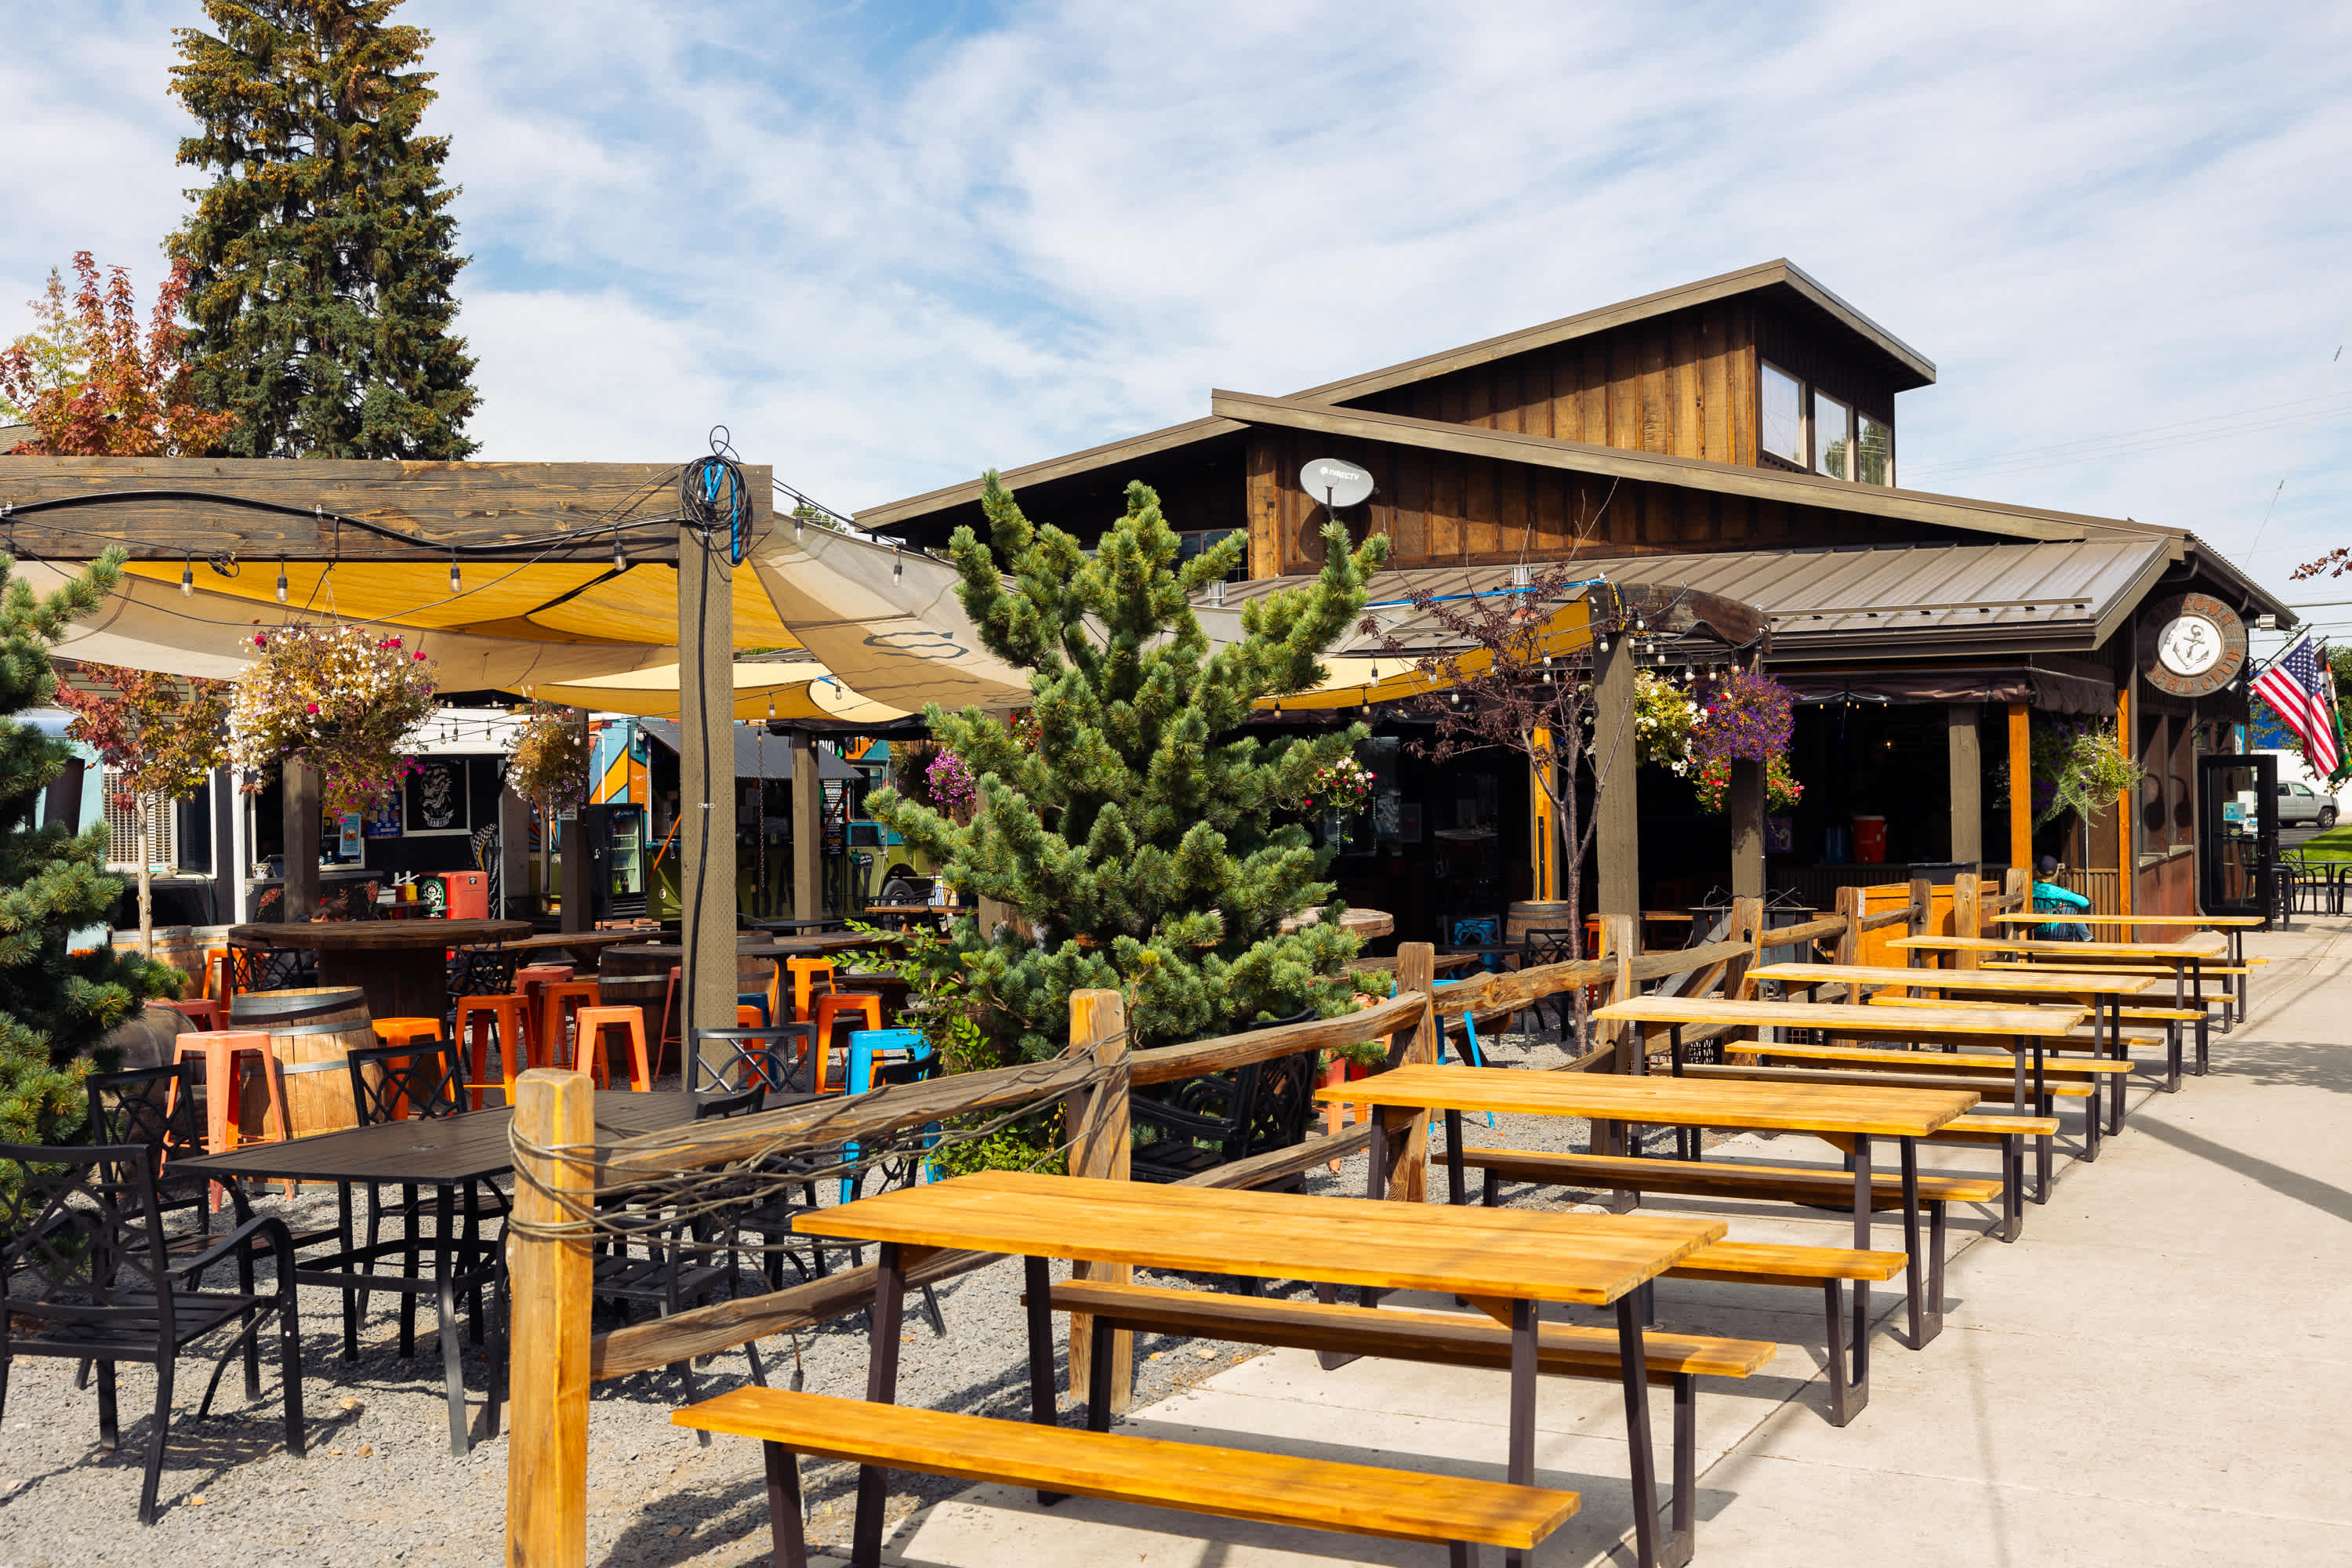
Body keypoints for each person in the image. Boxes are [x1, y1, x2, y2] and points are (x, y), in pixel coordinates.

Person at [2031, 854, 2093, 942]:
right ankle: (2088, 939)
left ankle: (2088, 938)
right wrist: (2066, 904)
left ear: (2036, 870)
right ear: (2055, 872)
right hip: (2053, 931)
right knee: (2071, 911)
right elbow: (2085, 902)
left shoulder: (2028, 887)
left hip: (2032, 930)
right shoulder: (2055, 891)